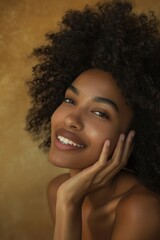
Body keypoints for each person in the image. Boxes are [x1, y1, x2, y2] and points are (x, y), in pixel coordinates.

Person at [26, 0, 160, 239]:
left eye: (100, 113)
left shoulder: (142, 209)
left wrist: (68, 204)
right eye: (69, 100)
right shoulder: (60, 189)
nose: (71, 120)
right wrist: (68, 199)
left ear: (133, 134)